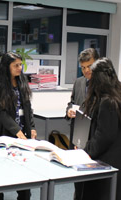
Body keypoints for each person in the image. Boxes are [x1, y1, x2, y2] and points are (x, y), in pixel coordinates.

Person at [0, 52, 37, 200]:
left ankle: (24, 196)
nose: (19, 68)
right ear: (6, 66)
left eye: (20, 64)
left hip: (22, 131)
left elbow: (28, 107)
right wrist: (16, 131)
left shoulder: (22, 80)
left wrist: (31, 127)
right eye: (16, 65)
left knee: (24, 170)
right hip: (2, 131)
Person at [78, 57, 121, 200]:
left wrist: (86, 151)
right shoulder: (117, 94)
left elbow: (104, 136)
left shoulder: (107, 101)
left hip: (107, 161)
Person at [65, 48, 99, 200]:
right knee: (78, 179)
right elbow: (72, 102)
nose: (86, 71)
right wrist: (69, 111)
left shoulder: (104, 85)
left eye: (89, 67)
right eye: (83, 67)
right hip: (77, 136)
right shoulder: (79, 82)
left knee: (93, 182)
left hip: (94, 137)